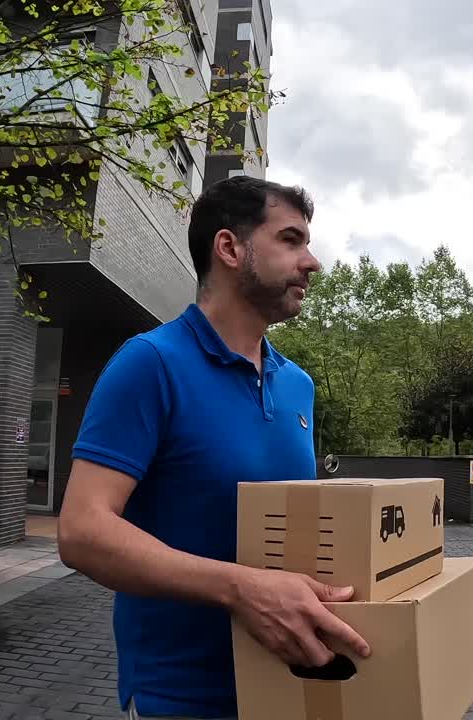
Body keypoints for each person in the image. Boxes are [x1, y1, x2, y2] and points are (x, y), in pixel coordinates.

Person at [57, 176, 371, 719]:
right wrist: (239, 589)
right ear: (229, 248)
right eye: (292, 240)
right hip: (180, 698)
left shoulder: (298, 384)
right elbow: (82, 532)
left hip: (291, 688)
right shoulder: (150, 363)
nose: (313, 261)